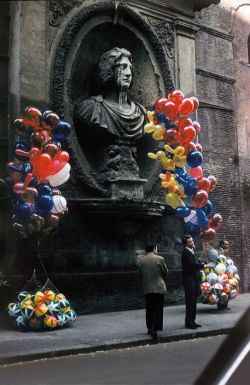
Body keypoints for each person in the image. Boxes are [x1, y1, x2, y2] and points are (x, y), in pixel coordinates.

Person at [73, 47, 146, 141]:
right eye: (122, 67)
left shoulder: (141, 113)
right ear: (109, 70)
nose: (128, 73)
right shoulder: (90, 108)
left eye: (130, 68)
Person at [138, 244, 168, 341]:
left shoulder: (141, 261)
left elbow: (140, 274)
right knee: (158, 308)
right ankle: (156, 328)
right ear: (154, 249)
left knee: (149, 308)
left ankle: (149, 327)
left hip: (147, 288)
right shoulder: (160, 259)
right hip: (159, 287)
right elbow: (165, 272)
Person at [181, 234, 204, 329]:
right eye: (190, 241)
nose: (192, 242)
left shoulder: (191, 251)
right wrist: (202, 265)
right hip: (188, 279)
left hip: (193, 278)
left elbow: (193, 263)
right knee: (190, 301)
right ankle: (188, 322)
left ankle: (192, 321)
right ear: (186, 244)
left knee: (193, 301)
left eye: (192, 240)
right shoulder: (186, 252)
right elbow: (191, 264)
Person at [218, 239, 231, 311]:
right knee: (221, 289)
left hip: (227, 272)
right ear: (222, 245)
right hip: (221, 273)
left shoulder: (226, 252)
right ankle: (220, 305)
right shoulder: (219, 252)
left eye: (228, 244)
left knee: (227, 288)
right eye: (226, 244)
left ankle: (225, 304)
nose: (227, 245)